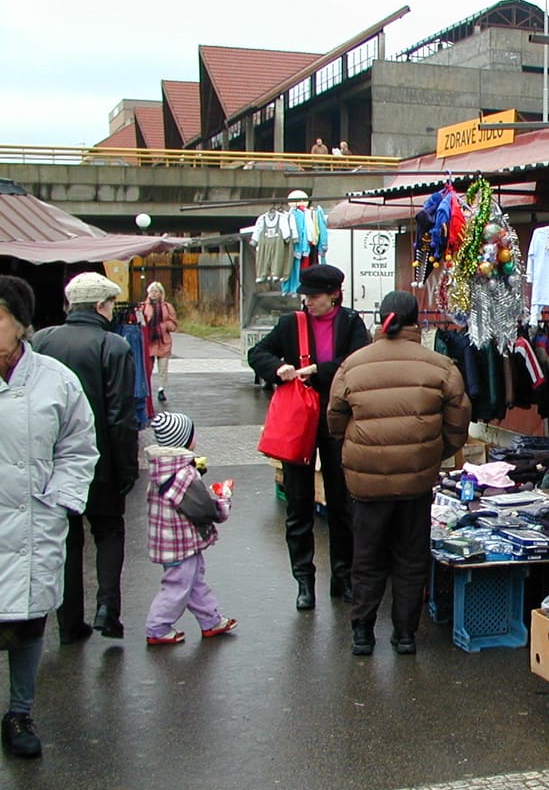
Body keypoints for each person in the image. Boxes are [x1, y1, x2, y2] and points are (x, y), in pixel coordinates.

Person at [328, 290, 470, 656]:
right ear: (417, 321)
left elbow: (335, 420)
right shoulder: (440, 366)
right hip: (417, 479)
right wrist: (435, 454)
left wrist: (359, 448)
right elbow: (457, 425)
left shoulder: (353, 365)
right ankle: (405, 635)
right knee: (410, 557)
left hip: (365, 479)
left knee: (367, 556)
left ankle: (362, 632)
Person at [0, 276, 99, 757]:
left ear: (20, 324)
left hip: (34, 518)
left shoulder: (55, 379)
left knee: (27, 620)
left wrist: (61, 499)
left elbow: (79, 447)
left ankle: (20, 712)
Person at [248, 264, 369, 611]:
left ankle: (342, 576)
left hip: (336, 420)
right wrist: (277, 368)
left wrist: (319, 370)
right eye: (306, 296)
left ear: (334, 295)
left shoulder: (351, 322)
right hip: (299, 420)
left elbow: (357, 362)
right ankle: (304, 580)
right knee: (298, 504)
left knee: (342, 502)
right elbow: (257, 353)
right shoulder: (291, 324)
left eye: (314, 296)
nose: (308, 302)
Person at [31, 272, 139, 642]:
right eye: (111, 305)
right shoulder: (114, 346)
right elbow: (121, 414)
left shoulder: (42, 340)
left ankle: (68, 621)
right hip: (101, 460)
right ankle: (108, 609)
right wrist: (127, 467)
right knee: (109, 531)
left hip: (51, 460)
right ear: (100, 306)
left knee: (67, 538)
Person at [144, 412, 238, 645]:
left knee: (194, 581)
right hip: (179, 543)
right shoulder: (183, 475)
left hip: (171, 540)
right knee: (178, 586)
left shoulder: (162, 469)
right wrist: (223, 500)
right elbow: (203, 509)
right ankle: (157, 627)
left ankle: (211, 620)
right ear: (184, 439)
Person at [140, 281, 177, 402]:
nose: (153, 293)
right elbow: (140, 322)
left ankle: (161, 389)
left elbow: (174, 324)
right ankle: (147, 390)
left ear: (161, 293)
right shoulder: (143, 307)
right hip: (149, 341)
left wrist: (164, 326)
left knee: (163, 368)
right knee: (147, 368)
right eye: (151, 291)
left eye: (156, 291)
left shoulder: (167, 307)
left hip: (163, 341)